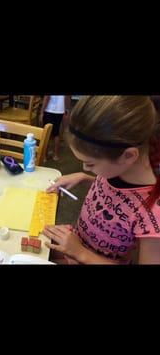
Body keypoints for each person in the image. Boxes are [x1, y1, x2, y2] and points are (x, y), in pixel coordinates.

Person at [43, 96, 160, 264]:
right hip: (76, 247)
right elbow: (122, 199)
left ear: (128, 156)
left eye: (89, 163)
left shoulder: (155, 213)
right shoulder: (118, 168)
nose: (84, 168)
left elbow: (133, 206)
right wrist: (85, 178)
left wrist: (80, 252)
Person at [39, 95, 71, 161]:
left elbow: (47, 97)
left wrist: (42, 112)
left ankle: (44, 156)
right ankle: (56, 155)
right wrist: (67, 110)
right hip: (60, 110)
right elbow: (68, 97)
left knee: (47, 133)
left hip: (49, 110)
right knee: (56, 133)